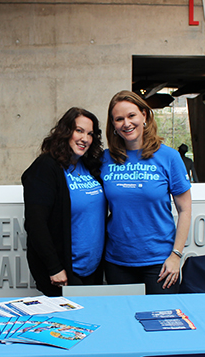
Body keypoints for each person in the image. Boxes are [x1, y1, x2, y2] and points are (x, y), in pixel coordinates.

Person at [101, 91, 192, 294]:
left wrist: (176, 255)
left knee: (163, 321)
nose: (126, 123)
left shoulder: (169, 156)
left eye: (131, 115)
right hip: (117, 261)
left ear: (144, 115)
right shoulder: (105, 159)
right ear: (113, 125)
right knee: (123, 321)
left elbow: (185, 210)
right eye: (119, 119)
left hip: (160, 262)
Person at [21, 107, 106, 295]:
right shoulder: (46, 167)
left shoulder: (89, 166)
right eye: (79, 131)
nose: (85, 138)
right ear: (65, 132)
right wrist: (54, 267)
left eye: (90, 134)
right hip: (64, 272)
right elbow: (36, 223)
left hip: (92, 269)